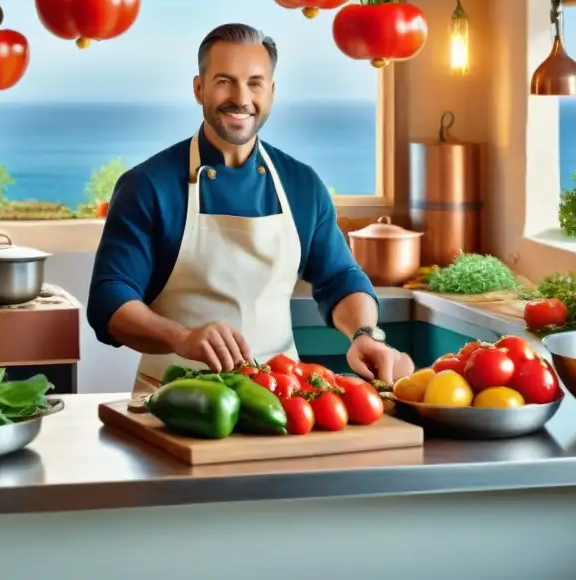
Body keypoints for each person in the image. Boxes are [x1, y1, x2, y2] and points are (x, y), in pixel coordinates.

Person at [87, 23, 414, 397]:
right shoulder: (148, 185)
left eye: (255, 83)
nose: (241, 98)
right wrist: (182, 338)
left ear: (271, 93)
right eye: (224, 81)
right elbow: (109, 300)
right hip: (172, 402)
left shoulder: (301, 185)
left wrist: (364, 334)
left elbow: (340, 277)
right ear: (199, 88)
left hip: (284, 401)